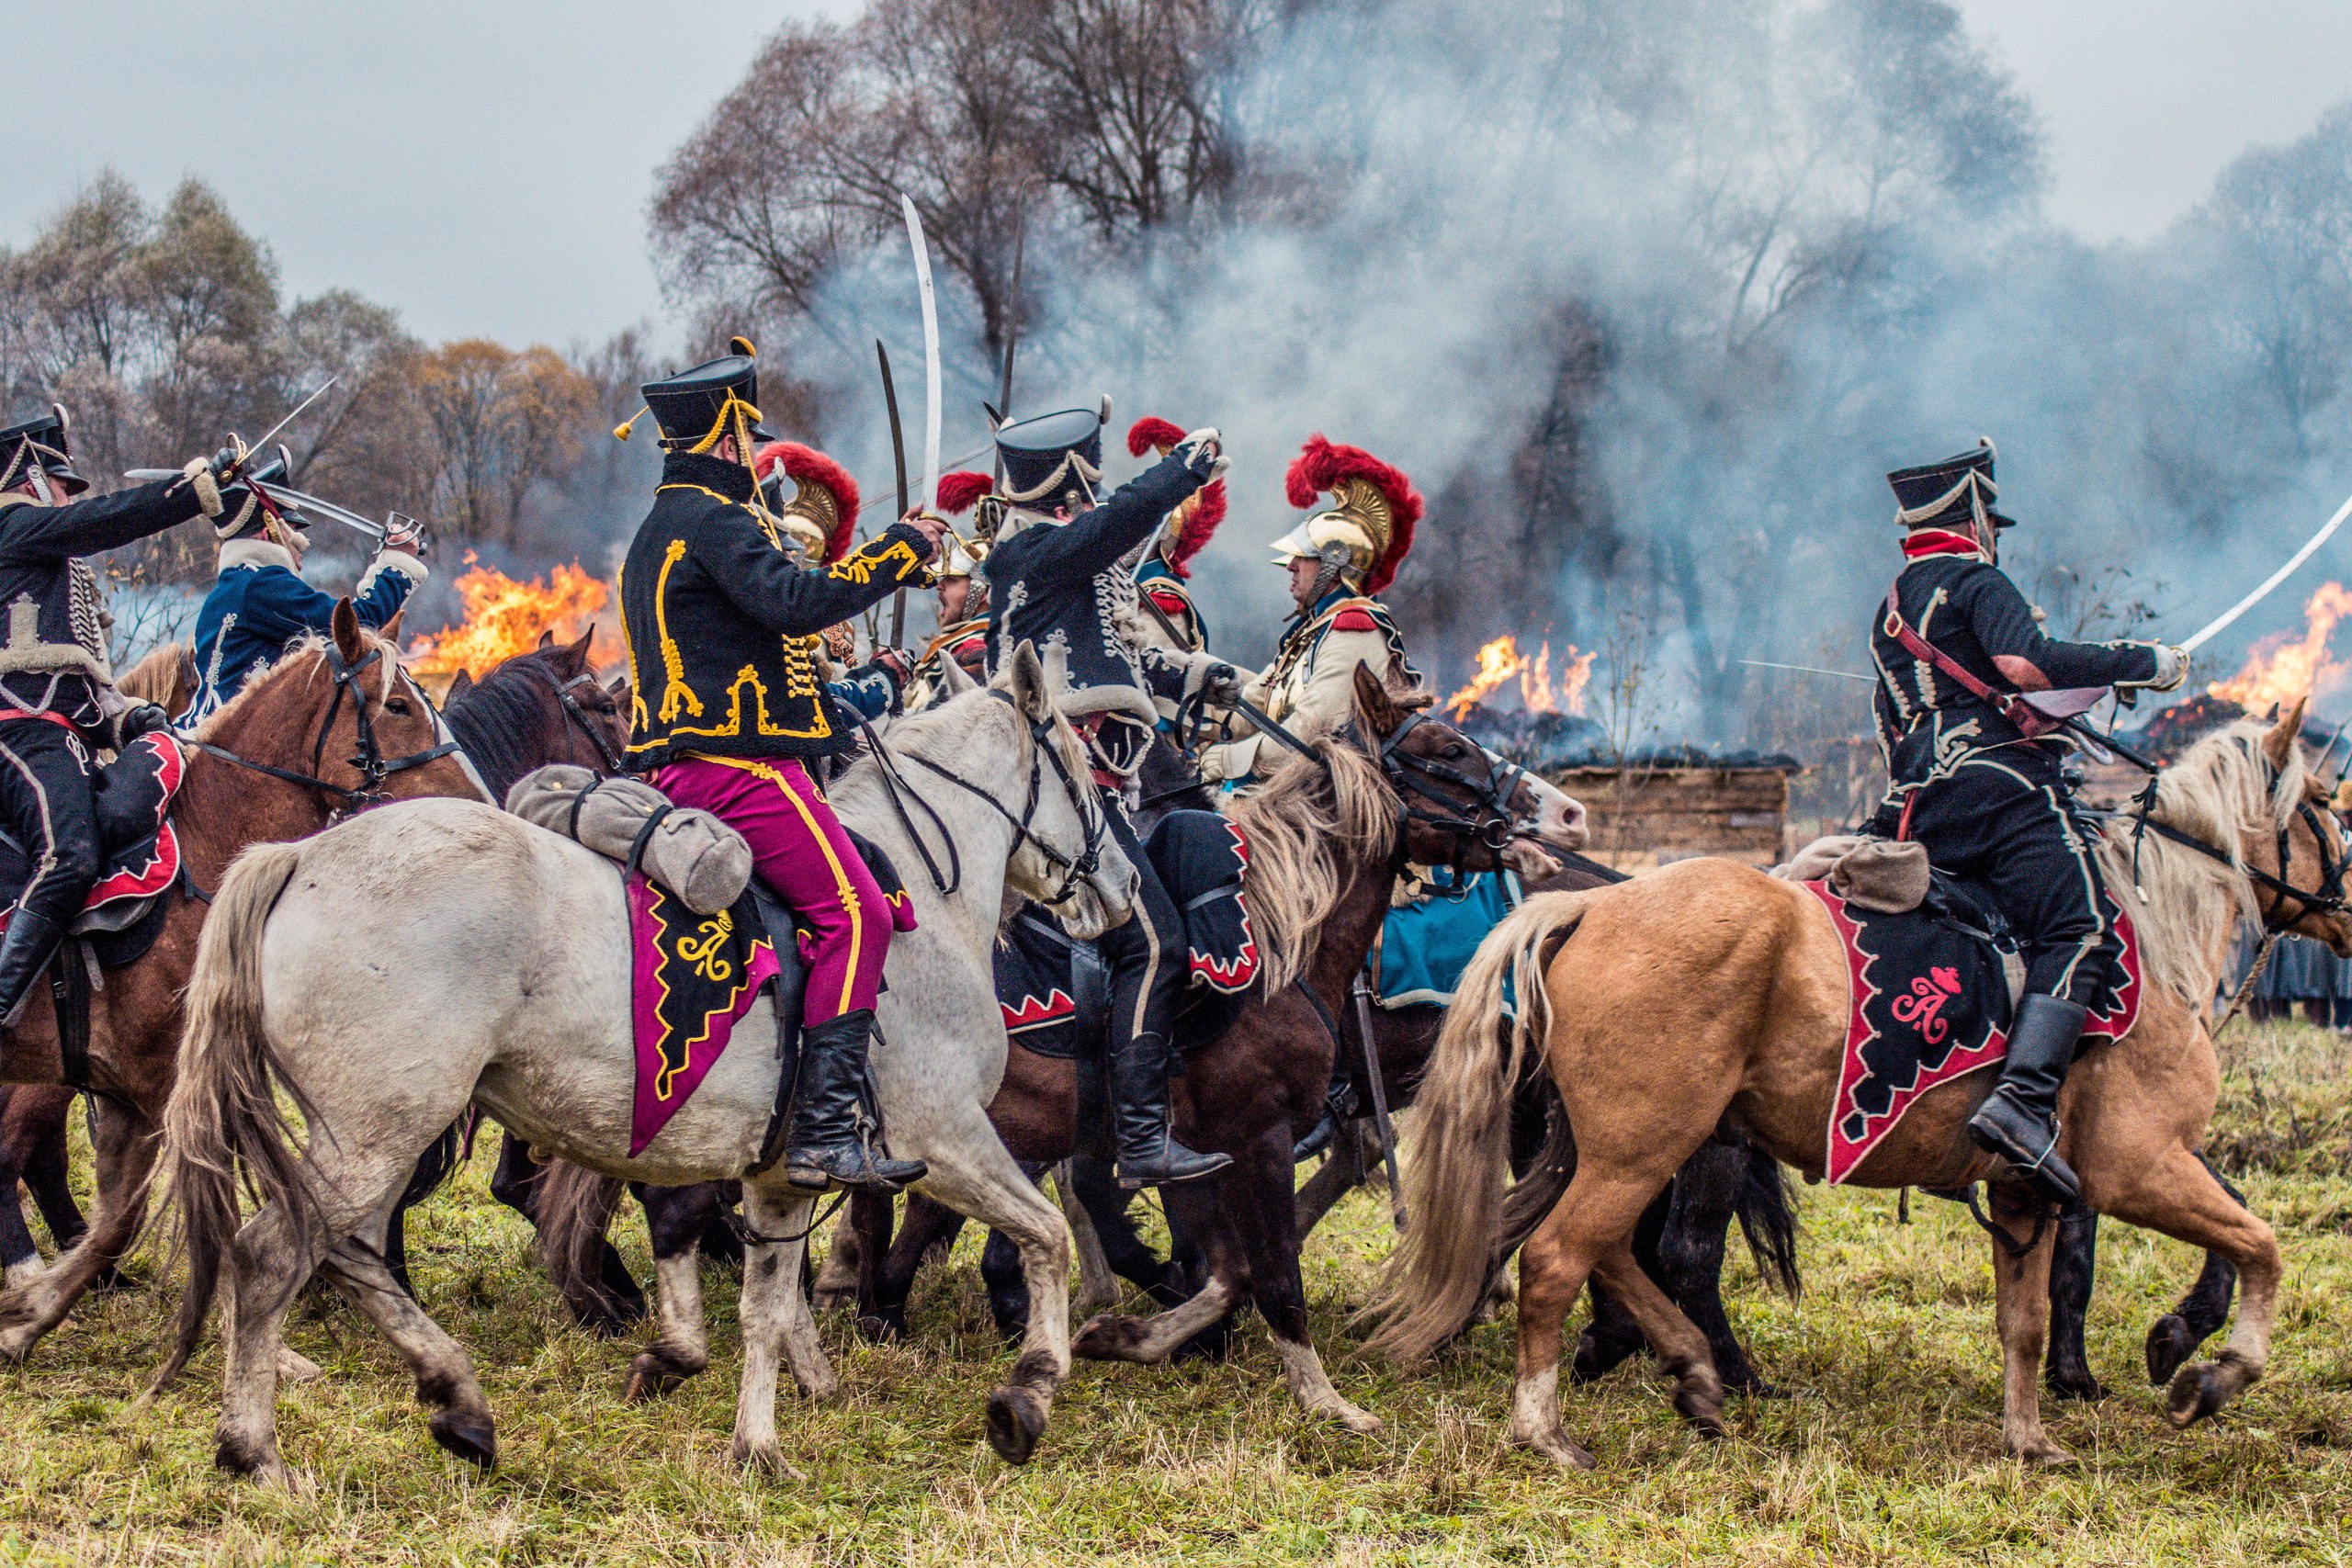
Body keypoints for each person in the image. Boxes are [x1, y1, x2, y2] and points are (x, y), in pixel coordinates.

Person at [616, 339, 942, 1192]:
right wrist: (901, 551)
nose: (752, 451)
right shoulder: (715, 521)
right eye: (746, 436)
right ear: (727, 437)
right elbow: (796, 604)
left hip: (693, 765)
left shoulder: (661, 526)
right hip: (739, 770)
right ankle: (825, 1131)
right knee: (856, 911)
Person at [1865, 438, 2186, 1204]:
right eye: (1992, 519)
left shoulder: (1890, 611)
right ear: (1973, 515)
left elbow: (1893, 722)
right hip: (2002, 791)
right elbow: (2026, 665)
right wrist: (2139, 660)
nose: (1996, 533)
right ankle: (2024, 1102)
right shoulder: (1978, 579)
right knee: (2082, 928)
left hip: (1920, 803)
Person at [978, 399, 1237, 1189]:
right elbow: (1121, 520)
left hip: (1107, 787)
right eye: (1086, 496)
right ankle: (1139, 1135)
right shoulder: (1036, 552)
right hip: (1065, 788)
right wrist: (1181, 470)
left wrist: (1191, 676)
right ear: (1066, 499)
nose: (1093, 508)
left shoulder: (1073, 569)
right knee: (1153, 939)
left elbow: (1106, 660)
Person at [0, 404, 227, 1026]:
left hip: (59, 738)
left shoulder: (50, 569)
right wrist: (195, 490)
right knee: (69, 854)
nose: (71, 499)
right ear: (30, 476)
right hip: (19, 736)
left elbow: (73, 682)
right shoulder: (13, 525)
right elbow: (110, 518)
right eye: (64, 487)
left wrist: (131, 719)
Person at [1200, 435, 1421, 787]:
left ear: (1336, 563)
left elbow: (1309, 731)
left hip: (1326, 802)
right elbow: (1256, 702)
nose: (1290, 567)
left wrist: (1229, 759)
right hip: (1292, 787)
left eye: (1304, 558)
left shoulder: (1354, 627)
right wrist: (1195, 721)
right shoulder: (1314, 629)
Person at [187, 478, 427, 723]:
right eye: (294, 530)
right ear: (269, 532)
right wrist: (397, 565)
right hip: (237, 739)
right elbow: (357, 628)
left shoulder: (233, 586)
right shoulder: (262, 584)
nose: (302, 546)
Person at [901, 470, 994, 713]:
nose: (939, 586)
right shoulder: (958, 644)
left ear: (981, 590)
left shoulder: (979, 649)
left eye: (952, 580)